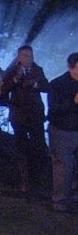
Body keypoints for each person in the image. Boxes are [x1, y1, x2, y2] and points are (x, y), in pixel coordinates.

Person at [1, 45, 50, 193]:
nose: (27, 59)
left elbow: (46, 87)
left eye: (29, 56)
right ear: (19, 57)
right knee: (20, 145)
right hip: (18, 114)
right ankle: (24, 178)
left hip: (35, 113)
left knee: (38, 144)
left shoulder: (38, 69)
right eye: (24, 56)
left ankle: (39, 177)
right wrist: (16, 79)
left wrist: (35, 84)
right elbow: (3, 89)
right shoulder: (12, 71)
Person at [47, 52, 78, 213]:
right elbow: (53, 111)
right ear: (70, 68)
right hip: (62, 131)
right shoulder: (57, 84)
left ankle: (74, 195)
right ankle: (59, 201)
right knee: (63, 167)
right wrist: (73, 102)